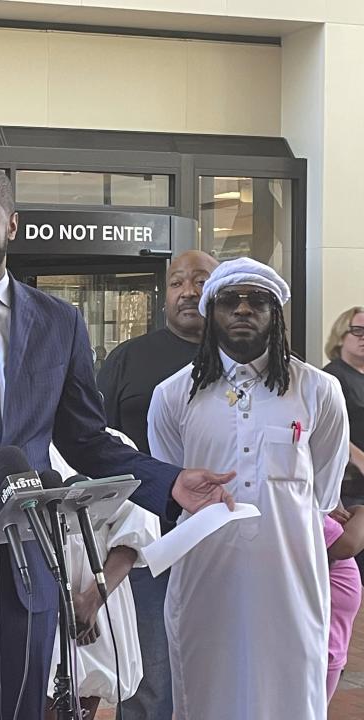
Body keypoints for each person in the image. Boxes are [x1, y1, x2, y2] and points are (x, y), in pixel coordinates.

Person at [0, 163, 234, 720]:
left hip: (27, 573)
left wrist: (170, 482)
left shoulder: (60, 322)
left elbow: (87, 440)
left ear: (11, 224)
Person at [147, 257, 349, 719]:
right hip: (205, 576)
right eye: (229, 301)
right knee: (204, 688)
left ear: (276, 315)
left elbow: (323, 492)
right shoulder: (174, 395)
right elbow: (171, 481)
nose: (243, 309)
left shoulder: (318, 391)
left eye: (257, 301)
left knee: (292, 691)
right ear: (209, 311)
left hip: (291, 577)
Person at [97, 249, 218, 720]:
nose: (187, 291)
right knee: (151, 676)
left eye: (200, 280)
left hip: (227, 542)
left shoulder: (250, 366)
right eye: (176, 283)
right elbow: (95, 446)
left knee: (222, 663)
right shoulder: (127, 359)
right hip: (145, 545)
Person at [45, 430, 160, 720]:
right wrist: (60, 596)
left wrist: (92, 600)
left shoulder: (113, 444)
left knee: (81, 704)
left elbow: (134, 535)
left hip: (95, 603)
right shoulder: (20, 444)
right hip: (40, 598)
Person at [323, 308, 364, 511]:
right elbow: (331, 431)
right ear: (340, 335)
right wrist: (361, 461)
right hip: (350, 485)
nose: (363, 337)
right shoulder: (331, 378)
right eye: (358, 331)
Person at [323, 505, 364, 703]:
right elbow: (347, 545)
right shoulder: (308, 514)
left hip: (333, 647)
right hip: (324, 649)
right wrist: (361, 511)